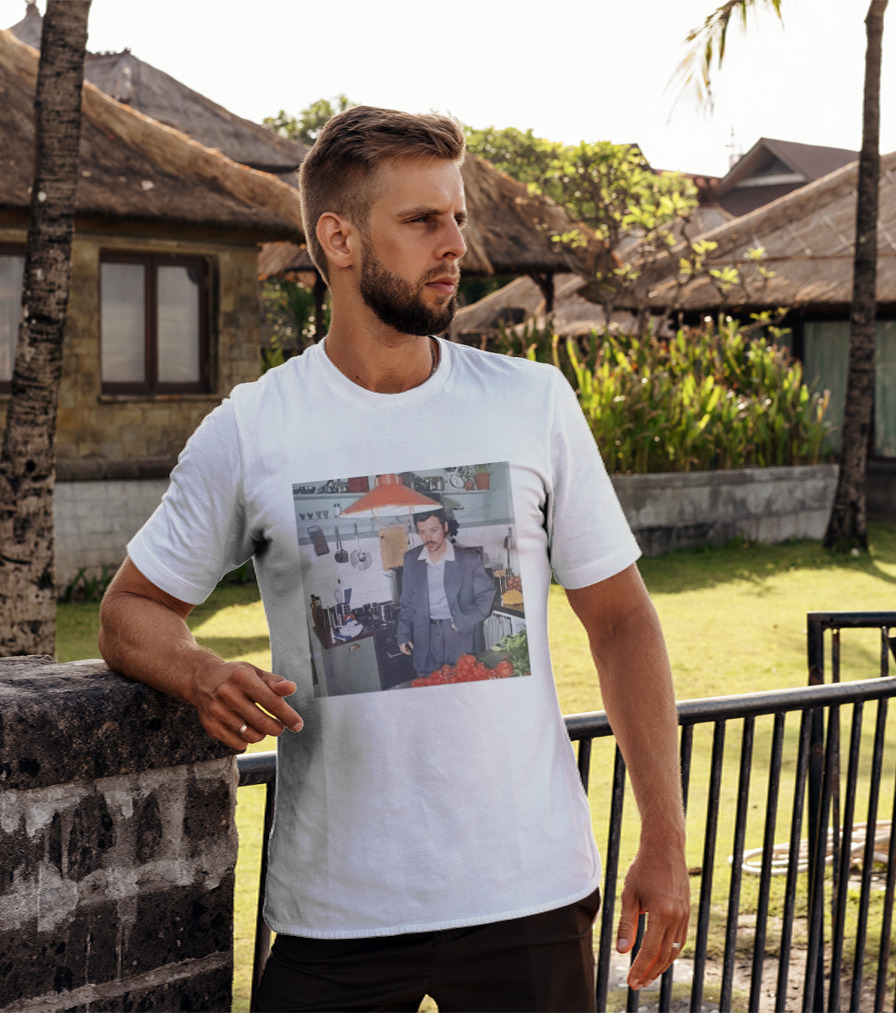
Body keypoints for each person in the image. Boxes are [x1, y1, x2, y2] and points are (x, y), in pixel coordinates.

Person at [99, 105, 690, 1012]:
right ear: (338, 238)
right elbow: (128, 610)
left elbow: (621, 621)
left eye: (457, 216)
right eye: (421, 220)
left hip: (530, 893)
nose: (455, 243)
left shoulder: (532, 403)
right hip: (336, 910)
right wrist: (200, 672)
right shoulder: (253, 428)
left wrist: (664, 837)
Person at [397, 507, 496, 676]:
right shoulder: (411, 559)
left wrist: (464, 621)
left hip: (459, 633)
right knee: (429, 682)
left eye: (433, 530)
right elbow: (407, 601)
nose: (428, 538)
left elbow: (486, 594)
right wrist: (403, 633)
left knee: (464, 680)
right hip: (425, 635)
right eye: (422, 532)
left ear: (445, 527)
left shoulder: (468, 558)